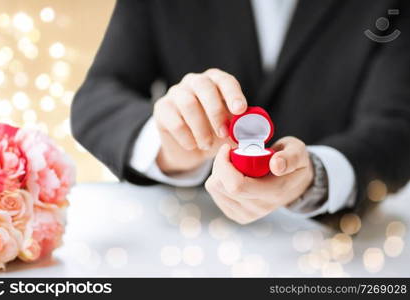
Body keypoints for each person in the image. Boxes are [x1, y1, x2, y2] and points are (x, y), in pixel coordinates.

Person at [72, 0, 410, 224]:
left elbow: (396, 130)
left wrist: (316, 177)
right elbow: (98, 96)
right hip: (186, 236)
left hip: (334, 245)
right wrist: (167, 145)